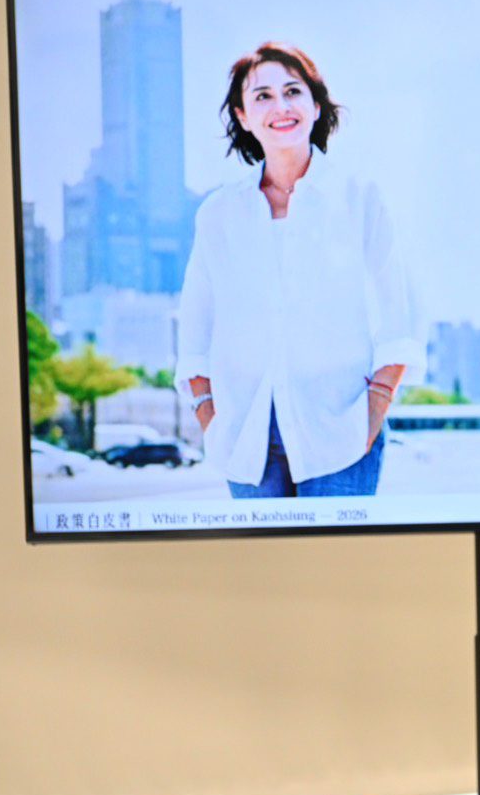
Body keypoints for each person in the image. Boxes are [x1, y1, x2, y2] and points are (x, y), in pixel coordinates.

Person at [175, 43, 424, 498]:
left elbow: (398, 313)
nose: (281, 106)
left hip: (342, 436)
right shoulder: (218, 214)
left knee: (337, 551)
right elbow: (195, 327)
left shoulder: (359, 198)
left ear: (316, 105)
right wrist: (209, 416)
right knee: (262, 552)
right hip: (245, 440)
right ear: (243, 116)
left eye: (293, 91)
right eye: (263, 96)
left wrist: (375, 409)